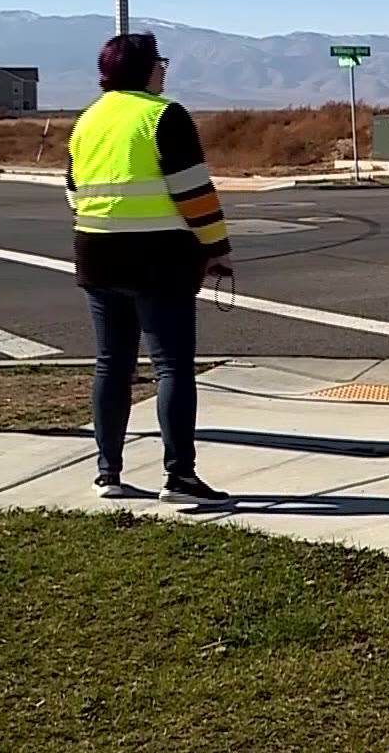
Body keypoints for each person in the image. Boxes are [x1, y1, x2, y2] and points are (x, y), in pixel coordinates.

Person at [66, 30, 233, 503]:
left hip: (97, 255)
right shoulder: (164, 116)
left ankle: (108, 474)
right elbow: (195, 193)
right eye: (161, 62)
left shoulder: (86, 121)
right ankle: (180, 477)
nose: (164, 69)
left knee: (111, 365)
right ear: (146, 69)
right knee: (172, 367)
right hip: (160, 259)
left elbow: (74, 193)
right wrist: (216, 246)